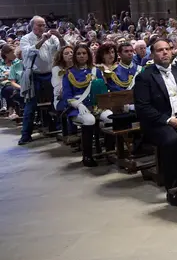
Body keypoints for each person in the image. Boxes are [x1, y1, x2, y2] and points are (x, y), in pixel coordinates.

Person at [134, 38, 177, 206]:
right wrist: (169, 120)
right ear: (152, 54)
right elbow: (143, 107)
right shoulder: (144, 77)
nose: (165, 52)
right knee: (172, 141)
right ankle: (173, 190)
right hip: (159, 123)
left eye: (168, 49)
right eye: (160, 50)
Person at [61, 43, 110, 166]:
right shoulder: (68, 73)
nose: (81, 56)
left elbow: (100, 90)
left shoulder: (96, 70)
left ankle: (110, 152)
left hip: (95, 104)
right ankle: (87, 156)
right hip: (77, 106)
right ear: (75, 56)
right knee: (89, 120)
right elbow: (67, 96)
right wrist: (78, 105)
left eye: (84, 53)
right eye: (78, 53)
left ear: (88, 55)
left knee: (110, 117)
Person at [19, 16, 61, 145]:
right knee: (31, 106)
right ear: (33, 26)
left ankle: (60, 129)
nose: (42, 28)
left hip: (50, 74)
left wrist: (59, 37)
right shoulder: (26, 38)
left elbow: (61, 50)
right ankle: (25, 135)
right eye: (39, 25)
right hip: (34, 75)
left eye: (43, 25)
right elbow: (29, 52)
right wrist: (43, 39)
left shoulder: (51, 38)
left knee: (57, 101)